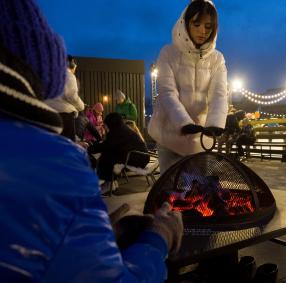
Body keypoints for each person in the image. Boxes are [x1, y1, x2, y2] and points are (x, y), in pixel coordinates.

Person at [0, 1, 183, 282]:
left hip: (136, 158)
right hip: (136, 159)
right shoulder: (51, 164)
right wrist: (160, 237)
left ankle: (105, 181)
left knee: (105, 159)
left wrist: (86, 232)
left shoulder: (50, 164)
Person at [148, 0, 228, 172]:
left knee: (198, 191)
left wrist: (215, 124)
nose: (202, 31)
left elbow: (219, 94)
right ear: (185, 23)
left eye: (208, 26)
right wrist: (183, 123)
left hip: (200, 140)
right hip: (169, 135)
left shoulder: (217, 59)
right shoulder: (168, 53)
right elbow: (167, 92)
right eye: (196, 24)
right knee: (169, 190)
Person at [88, 112, 150, 192]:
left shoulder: (119, 132)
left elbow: (106, 145)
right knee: (109, 154)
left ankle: (109, 183)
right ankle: (111, 182)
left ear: (112, 124)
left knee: (107, 156)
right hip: (138, 156)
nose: (106, 127)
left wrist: (89, 149)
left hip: (139, 158)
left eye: (106, 125)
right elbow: (109, 144)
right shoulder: (121, 129)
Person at [44, 55, 85, 141]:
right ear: (72, 65)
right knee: (66, 143)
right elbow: (71, 96)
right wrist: (81, 106)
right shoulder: (68, 75)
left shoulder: (49, 76)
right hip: (64, 115)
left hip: (48, 113)